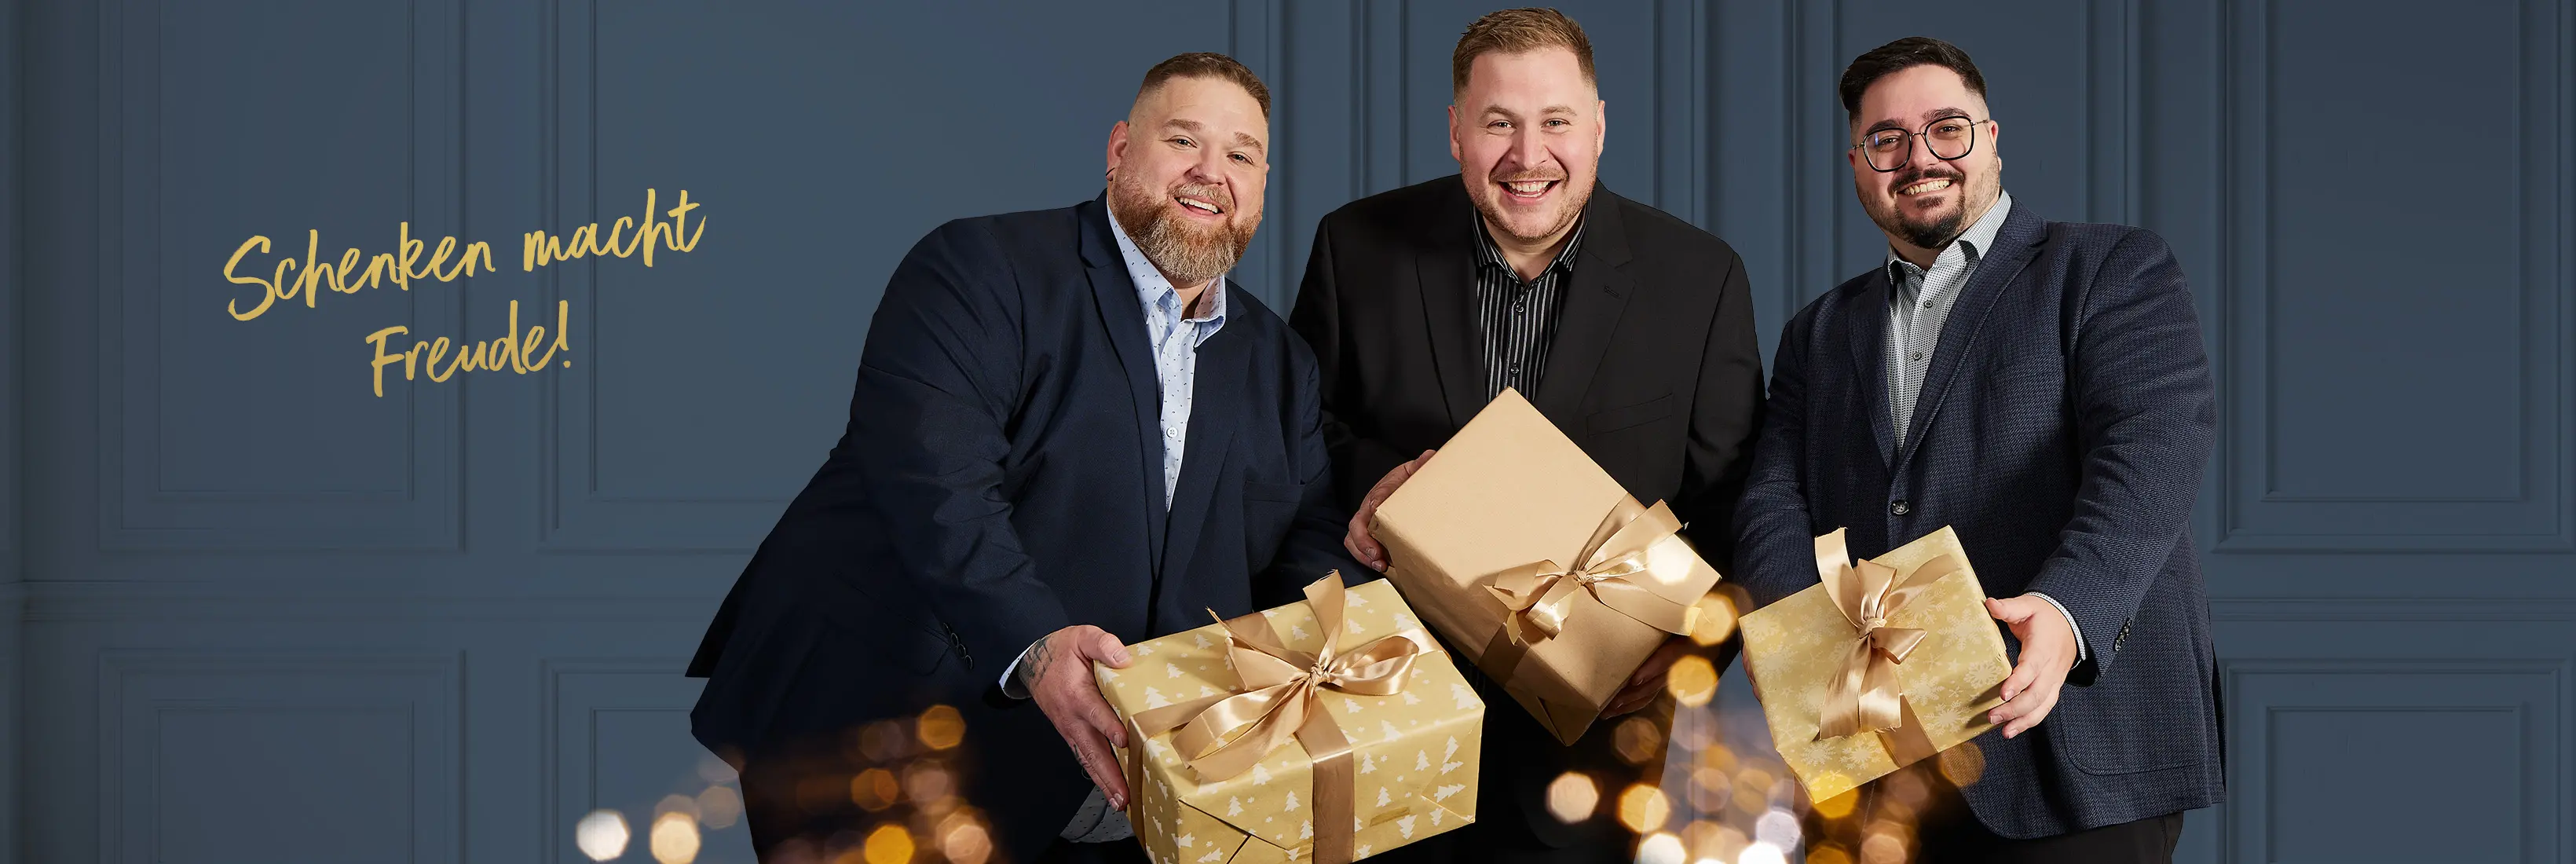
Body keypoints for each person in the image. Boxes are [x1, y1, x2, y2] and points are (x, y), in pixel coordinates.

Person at [684, 53, 1362, 864]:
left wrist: (1295, 667)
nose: (1210, 173)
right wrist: (1036, 643)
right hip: (884, 733)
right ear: (1120, 151)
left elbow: (1308, 524)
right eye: (1184, 140)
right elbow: (937, 485)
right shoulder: (978, 268)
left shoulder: (1280, 361)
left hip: (1107, 784)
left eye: (1241, 155)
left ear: (1260, 184)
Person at [1729, 36, 2223, 863]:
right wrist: (1791, 635)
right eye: (1887, 139)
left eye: (1946, 129)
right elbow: (1771, 497)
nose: (1919, 158)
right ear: (1857, 165)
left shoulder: (2109, 267)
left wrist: (2068, 610)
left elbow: (2152, 450)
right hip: (1881, 763)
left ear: (1990, 139)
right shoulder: (1818, 330)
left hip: (2072, 749)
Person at [1289, 9, 1766, 864]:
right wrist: (1376, 482)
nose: (1528, 154)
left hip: (1597, 746)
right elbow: (1297, 432)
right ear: (1455, 131)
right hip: (1386, 720)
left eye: (1555, 121)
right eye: (1498, 123)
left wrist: (1698, 634)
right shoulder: (1353, 247)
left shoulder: (1700, 277)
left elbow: (1735, 496)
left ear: (1599, 126)